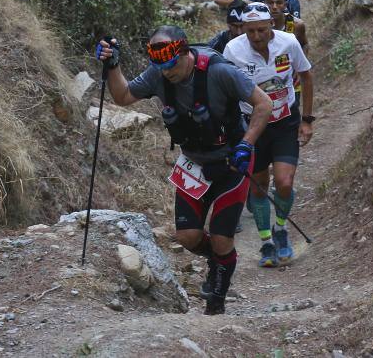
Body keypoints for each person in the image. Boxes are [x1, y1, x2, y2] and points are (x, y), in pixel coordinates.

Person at [97, 26, 271, 314]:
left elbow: (264, 103)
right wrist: (112, 65)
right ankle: (218, 259)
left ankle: (216, 302)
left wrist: (247, 144)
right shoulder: (158, 72)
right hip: (194, 163)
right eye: (161, 67)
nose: (167, 72)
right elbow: (123, 96)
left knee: (221, 236)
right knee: (188, 237)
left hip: (232, 161)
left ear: (185, 53)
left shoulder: (220, 71)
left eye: (172, 64)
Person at [223, 3, 315, 267]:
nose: (256, 36)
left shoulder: (288, 43)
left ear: (271, 25)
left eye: (261, 29)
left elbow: (306, 77)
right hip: (252, 125)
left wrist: (307, 120)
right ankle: (266, 242)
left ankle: (281, 229)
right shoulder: (233, 51)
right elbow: (225, 90)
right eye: (250, 31)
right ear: (242, 29)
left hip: (285, 121)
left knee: (285, 182)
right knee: (259, 184)